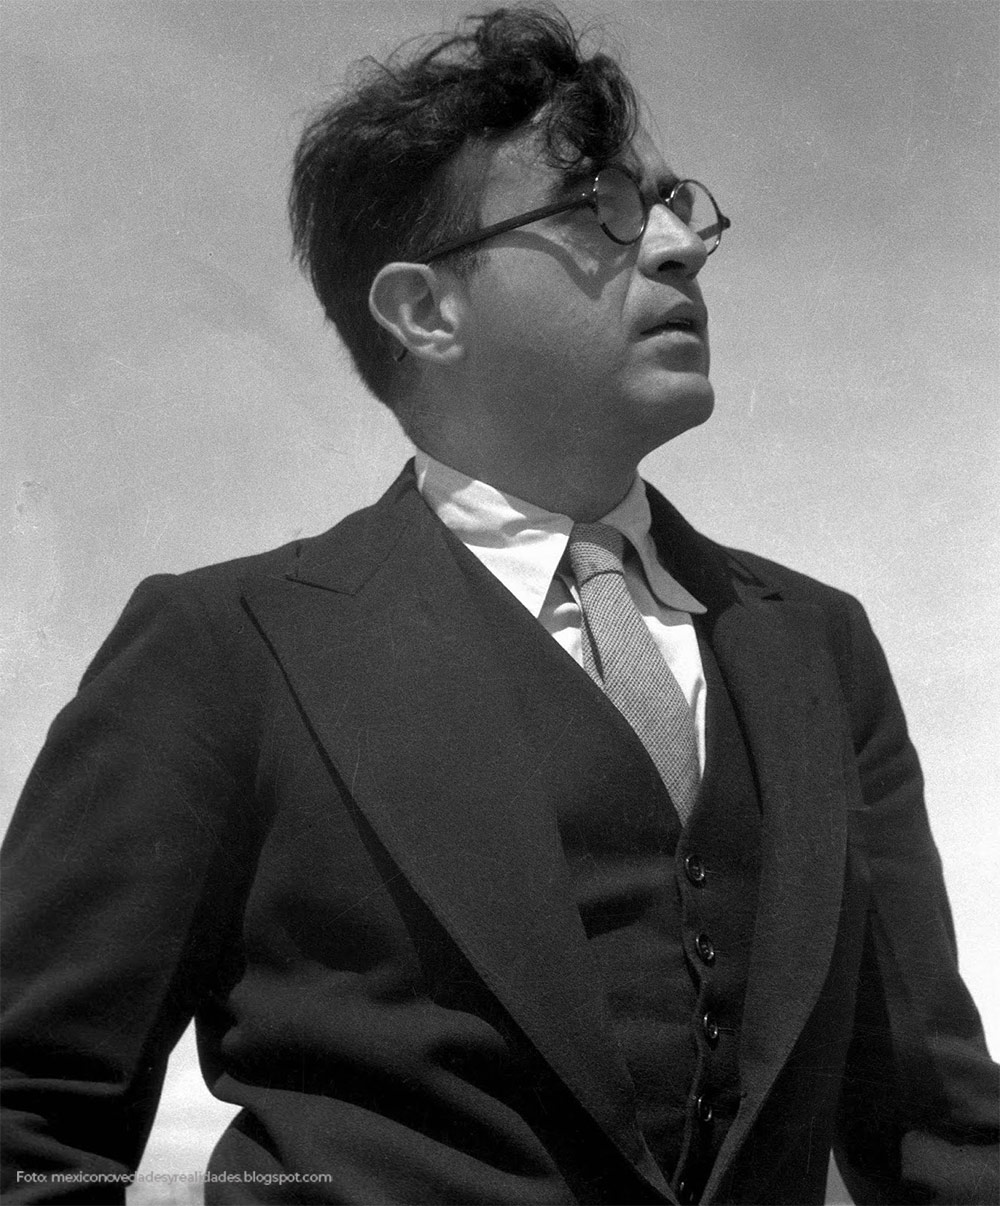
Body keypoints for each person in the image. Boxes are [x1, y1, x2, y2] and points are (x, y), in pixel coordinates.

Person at [2, 6, 997, 1204]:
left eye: (676, 205)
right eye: (601, 208)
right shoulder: (225, 650)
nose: (678, 247)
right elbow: (26, 1121)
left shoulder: (819, 642)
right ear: (425, 311)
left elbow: (939, 1129)